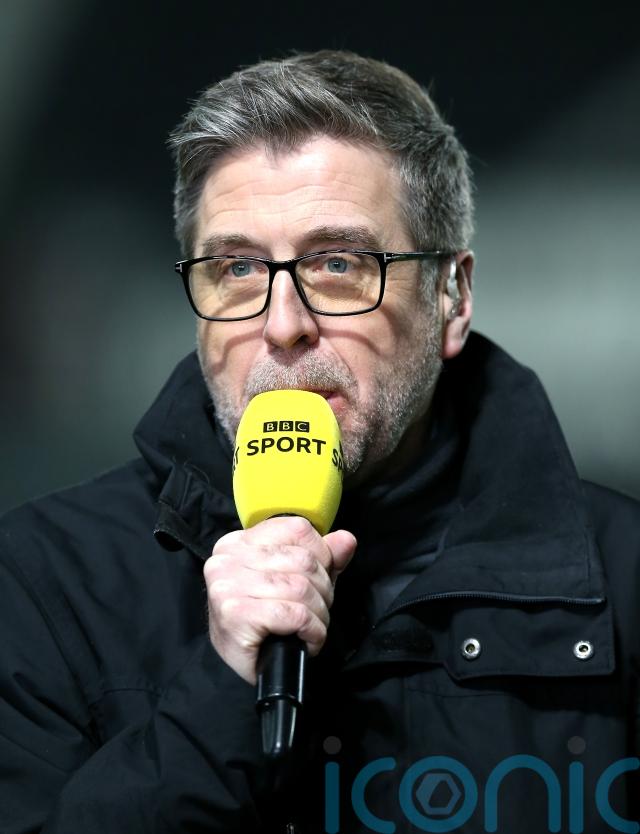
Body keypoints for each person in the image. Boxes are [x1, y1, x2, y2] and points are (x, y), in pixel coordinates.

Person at [1, 49, 639, 834]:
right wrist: (219, 697)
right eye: (237, 269)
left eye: (337, 263)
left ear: (452, 296)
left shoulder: (624, 578)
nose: (282, 325)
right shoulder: (43, 582)